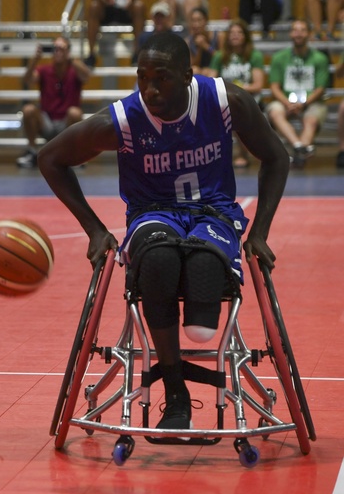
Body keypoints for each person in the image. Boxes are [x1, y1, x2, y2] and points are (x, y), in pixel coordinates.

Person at [37, 31, 290, 431]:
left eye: (162, 78)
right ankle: (174, 387)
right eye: (142, 77)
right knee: (156, 263)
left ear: (188, 76)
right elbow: (49, 158)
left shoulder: (225, 101)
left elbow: (277, 157)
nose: (150, 88)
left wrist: (259, 231)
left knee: (205, 275)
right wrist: (94, 229)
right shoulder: (124, 120)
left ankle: (196, 321)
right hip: (152, 214)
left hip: (214, 213)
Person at [16, 36, 91, 168]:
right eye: (55, 48)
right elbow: (27, 80)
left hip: (66, 124)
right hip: (47, 122)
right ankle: (32, 152)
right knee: (28, 110)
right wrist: (35, 60)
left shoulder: (74, 70)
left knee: (75, 112)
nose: (57, 52)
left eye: (61, 48)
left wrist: (71, 59)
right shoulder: (44, 70)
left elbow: (86, 75)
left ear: (68, 51)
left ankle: (74, 154)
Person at [266, 19, 330, 167]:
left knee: (311, 119)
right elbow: (274, 86)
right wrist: (288, 103)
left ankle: (299, 153)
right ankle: (300, 147)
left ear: (309, 34)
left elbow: (320, 88)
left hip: (312, 102)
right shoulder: (279, 57)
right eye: (295, 30)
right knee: (275, 111)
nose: (298, 33)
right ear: (290, 33)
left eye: (302, 30)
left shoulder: (320, 58)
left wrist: (304, 103)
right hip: (285, 101)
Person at [205, 18, 266, 168]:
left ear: (245, 36)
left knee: (237, 114)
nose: (235, 35)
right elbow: (210, 81)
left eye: (239, 32)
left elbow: (258, 85)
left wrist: (239, 88)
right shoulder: (220, 56)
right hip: (224, 98)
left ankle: (242, 154)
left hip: (249, 99)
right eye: (232, 33)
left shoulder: (254, 55)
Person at [184, 6, 217, 75]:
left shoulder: (218, 36)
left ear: (206, 21)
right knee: (195, 70)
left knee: (212, 73)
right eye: (193, 21)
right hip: (199, 71)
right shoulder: (188, 41)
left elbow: (222, 58)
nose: (196, 24)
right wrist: (199, 49)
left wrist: (206, 46)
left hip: (215, 69)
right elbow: (192, 65)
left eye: (199, 20)